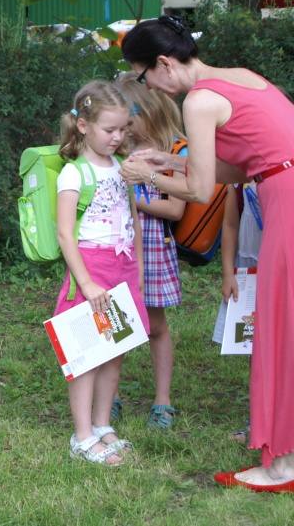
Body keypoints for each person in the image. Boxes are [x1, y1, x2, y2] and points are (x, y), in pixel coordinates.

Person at [120, 14, 294, 492]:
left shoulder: (197, 101)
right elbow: (246, 166)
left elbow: (199, 190)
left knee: (280, 324)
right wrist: (170, 159)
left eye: (143, 76)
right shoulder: (240, 77)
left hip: (287, 198)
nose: (147, 86)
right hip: (282, 181)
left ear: (162, 63)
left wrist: (146, 175)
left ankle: (282, 467)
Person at [55, 80, 145, 465]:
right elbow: (65, 233)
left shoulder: (121, 167)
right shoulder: (73, 174)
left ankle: (102, 424)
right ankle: (82, 436)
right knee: (86, 355)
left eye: (123, 128)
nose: (118, 136)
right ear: (83, 125)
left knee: (114, 349)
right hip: (92, 270)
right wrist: (87, 282)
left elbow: (132, 219)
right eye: (110, 129)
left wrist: (138, 267)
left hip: (122, 267)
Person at [116, 74, 187, 429]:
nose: (124, 130)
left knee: (155, 326)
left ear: (148, 111)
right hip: (118, 244)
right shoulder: (116, 148)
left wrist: (135, 194)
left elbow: (175, 209)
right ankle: (110, 397)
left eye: (129, 120)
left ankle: (162, 401)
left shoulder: (175, 151)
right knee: (115, 323)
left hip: (154, 244)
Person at [212, 181, 263, 441]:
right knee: (256, 348)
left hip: (283, 267)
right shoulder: (240, 176)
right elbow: (230, 224)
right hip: (250, 270)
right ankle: (258, 422)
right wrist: (228, 273)